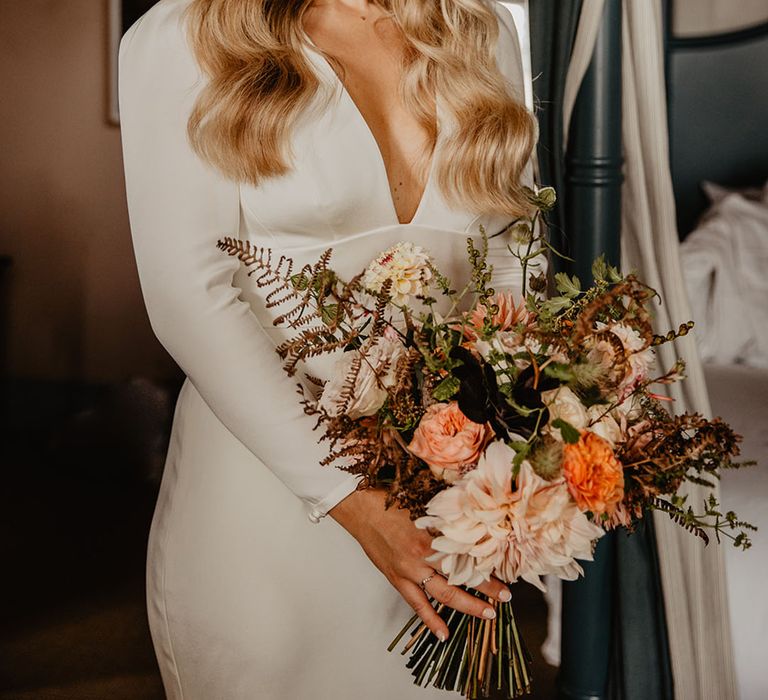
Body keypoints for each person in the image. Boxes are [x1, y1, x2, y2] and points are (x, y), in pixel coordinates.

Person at [119, 0, 537, 697]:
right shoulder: (184, 36)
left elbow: (508, 253)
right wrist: (356, 502)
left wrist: (508, 440)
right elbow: (190, 298)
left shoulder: (479, 27)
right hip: (265, 510)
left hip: (443, 495)